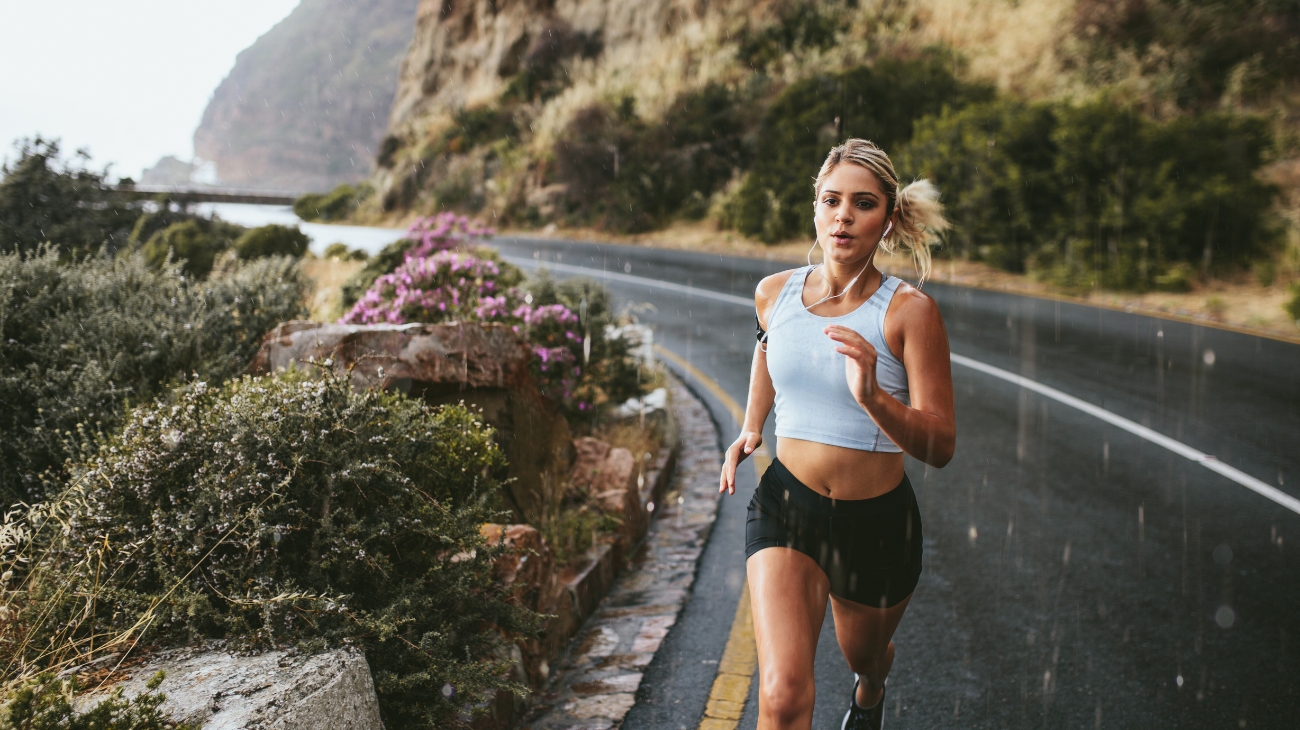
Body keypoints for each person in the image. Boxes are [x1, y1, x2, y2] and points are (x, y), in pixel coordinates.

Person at [719, 138, 956, 730]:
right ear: (816, 208)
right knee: (781, 694)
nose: (843, 216)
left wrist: (874, 396)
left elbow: (940, 445)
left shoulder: (909, 313)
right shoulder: (773, 293)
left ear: (888, 219)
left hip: (876, 527)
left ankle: (871, 688)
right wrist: (751, 425)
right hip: (786, 506)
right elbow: (768, 347)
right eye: (832, 200)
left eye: (863, 203)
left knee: (866, 656)